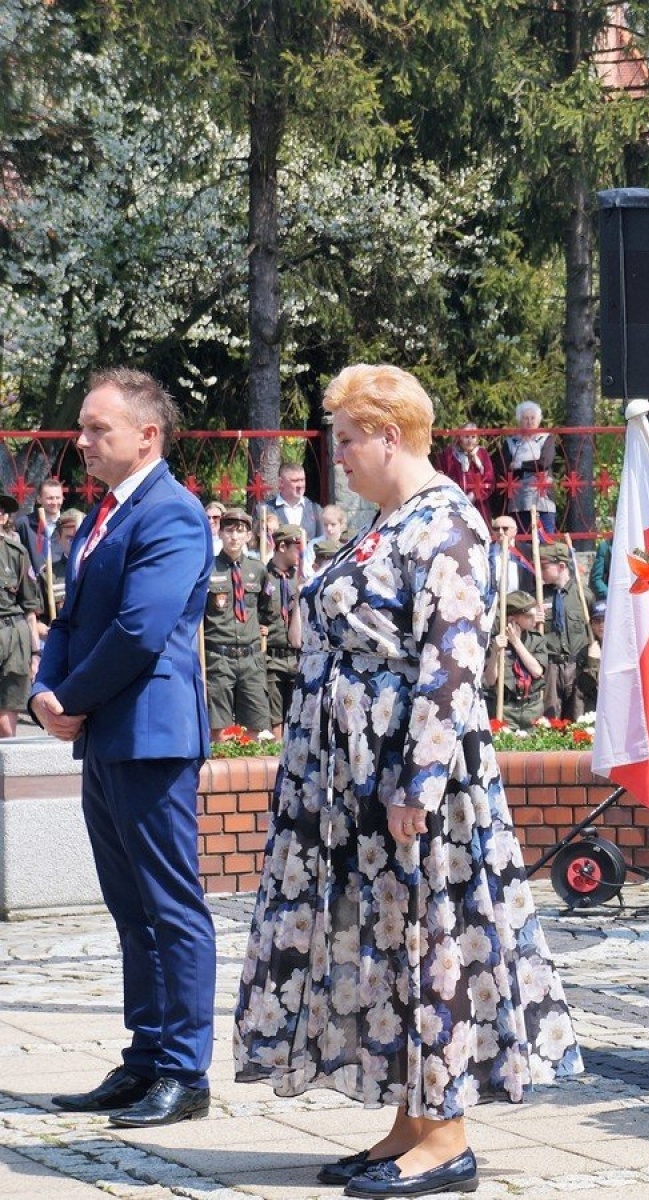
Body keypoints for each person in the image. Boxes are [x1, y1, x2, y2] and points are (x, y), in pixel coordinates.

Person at [235, 363, 581, 1197]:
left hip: (410, 784)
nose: (339, 456)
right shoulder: (386, 522)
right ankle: (407, 1123)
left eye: (349, 440)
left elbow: (452, 667)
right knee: (387, 945)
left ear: (392, 436)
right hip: (356, 781)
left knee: (431, 943)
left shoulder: (447, 523)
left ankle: (448, 1136)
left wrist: (416, 783)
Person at [35, 367, 214, 1128]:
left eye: (96, 428)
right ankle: (144, 1057)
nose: (81, 441)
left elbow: (141, 629)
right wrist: (46, 691)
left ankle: (184, 1070)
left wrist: (69, 699)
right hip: (107, 734)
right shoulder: (106, 512)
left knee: (170, 905)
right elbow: (71, 617)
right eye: (82, 426)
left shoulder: (171, 513)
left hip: (150, 735)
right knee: (128, 907)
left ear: (148, 435)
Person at [203, 507, 277, 741]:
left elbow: (266, 607)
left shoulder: (258, 569)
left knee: (253, 728)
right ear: (220, 534)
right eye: (229, 530)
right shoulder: (207, 568)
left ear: (248, 536)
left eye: (240, 531)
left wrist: (261, 628)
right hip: (218, 657)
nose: (234, 536)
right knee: (220, 730)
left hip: (251, 658)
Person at [534, 542, 591, 721]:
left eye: (544, 567)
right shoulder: (539, 596)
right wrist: (533, 620)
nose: (540, 572)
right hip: (551, 666)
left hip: (577, 666)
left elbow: (594, 629)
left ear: (561, 566)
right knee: (550, 718)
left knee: (578, 717)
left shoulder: (583, 595)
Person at [0, 495, 43, 736]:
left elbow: (29, 608)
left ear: (4, 517)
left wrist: (35, 654)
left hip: (12, 638)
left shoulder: (16, 553)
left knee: (6, 727)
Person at [262, 525, 305, 736]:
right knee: (275, 719)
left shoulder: (302, 579)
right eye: (297, 548)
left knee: (297, 717)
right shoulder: (262, 576)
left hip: (298, 658)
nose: (301, 554)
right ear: (281, 546)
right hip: (272, 658)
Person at [484, 589, 546, 728]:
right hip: (505, 708)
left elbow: (537, 671)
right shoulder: (495, 641)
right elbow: (490, 680)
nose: (534, 619)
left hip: (532, 707)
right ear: (513, 619)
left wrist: (517, 643)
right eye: (529, 616)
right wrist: (495, 653)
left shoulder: (535, 639)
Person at [502, 401, 558, 537]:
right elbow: (507, 466)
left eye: (533, 418)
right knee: (522, 540)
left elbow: (544, 463)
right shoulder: (511, 442)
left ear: (539, 420)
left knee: (545, 540)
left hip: (543, 498)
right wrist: (531, 466)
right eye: (525, 418)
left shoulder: (546, 439)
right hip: (518, 499)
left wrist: (521, 465)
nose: (529, 422)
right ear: (519, 421)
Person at [439, 423, 497, 526]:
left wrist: (474, 494)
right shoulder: (449, 454)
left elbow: (489, 478)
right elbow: (442, 475)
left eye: (473, 437)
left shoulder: (482, 454)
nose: (470, 440)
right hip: (454, 502)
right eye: (466, 437)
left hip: (479, 504)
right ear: (460, 437)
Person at [264, 462, 323, 545]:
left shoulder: (315, 509)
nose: (300, 485)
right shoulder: (266, 510)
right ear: (281, 482)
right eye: (295, 481)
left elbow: (322, 542)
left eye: (302, 480)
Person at [25, 476, 65, 575]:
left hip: (61, 584)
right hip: (34, 586)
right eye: (50, 498)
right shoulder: (24, 524)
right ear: (39, 499)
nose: (55, 502)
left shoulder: (69, 524)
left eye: (58, 498)